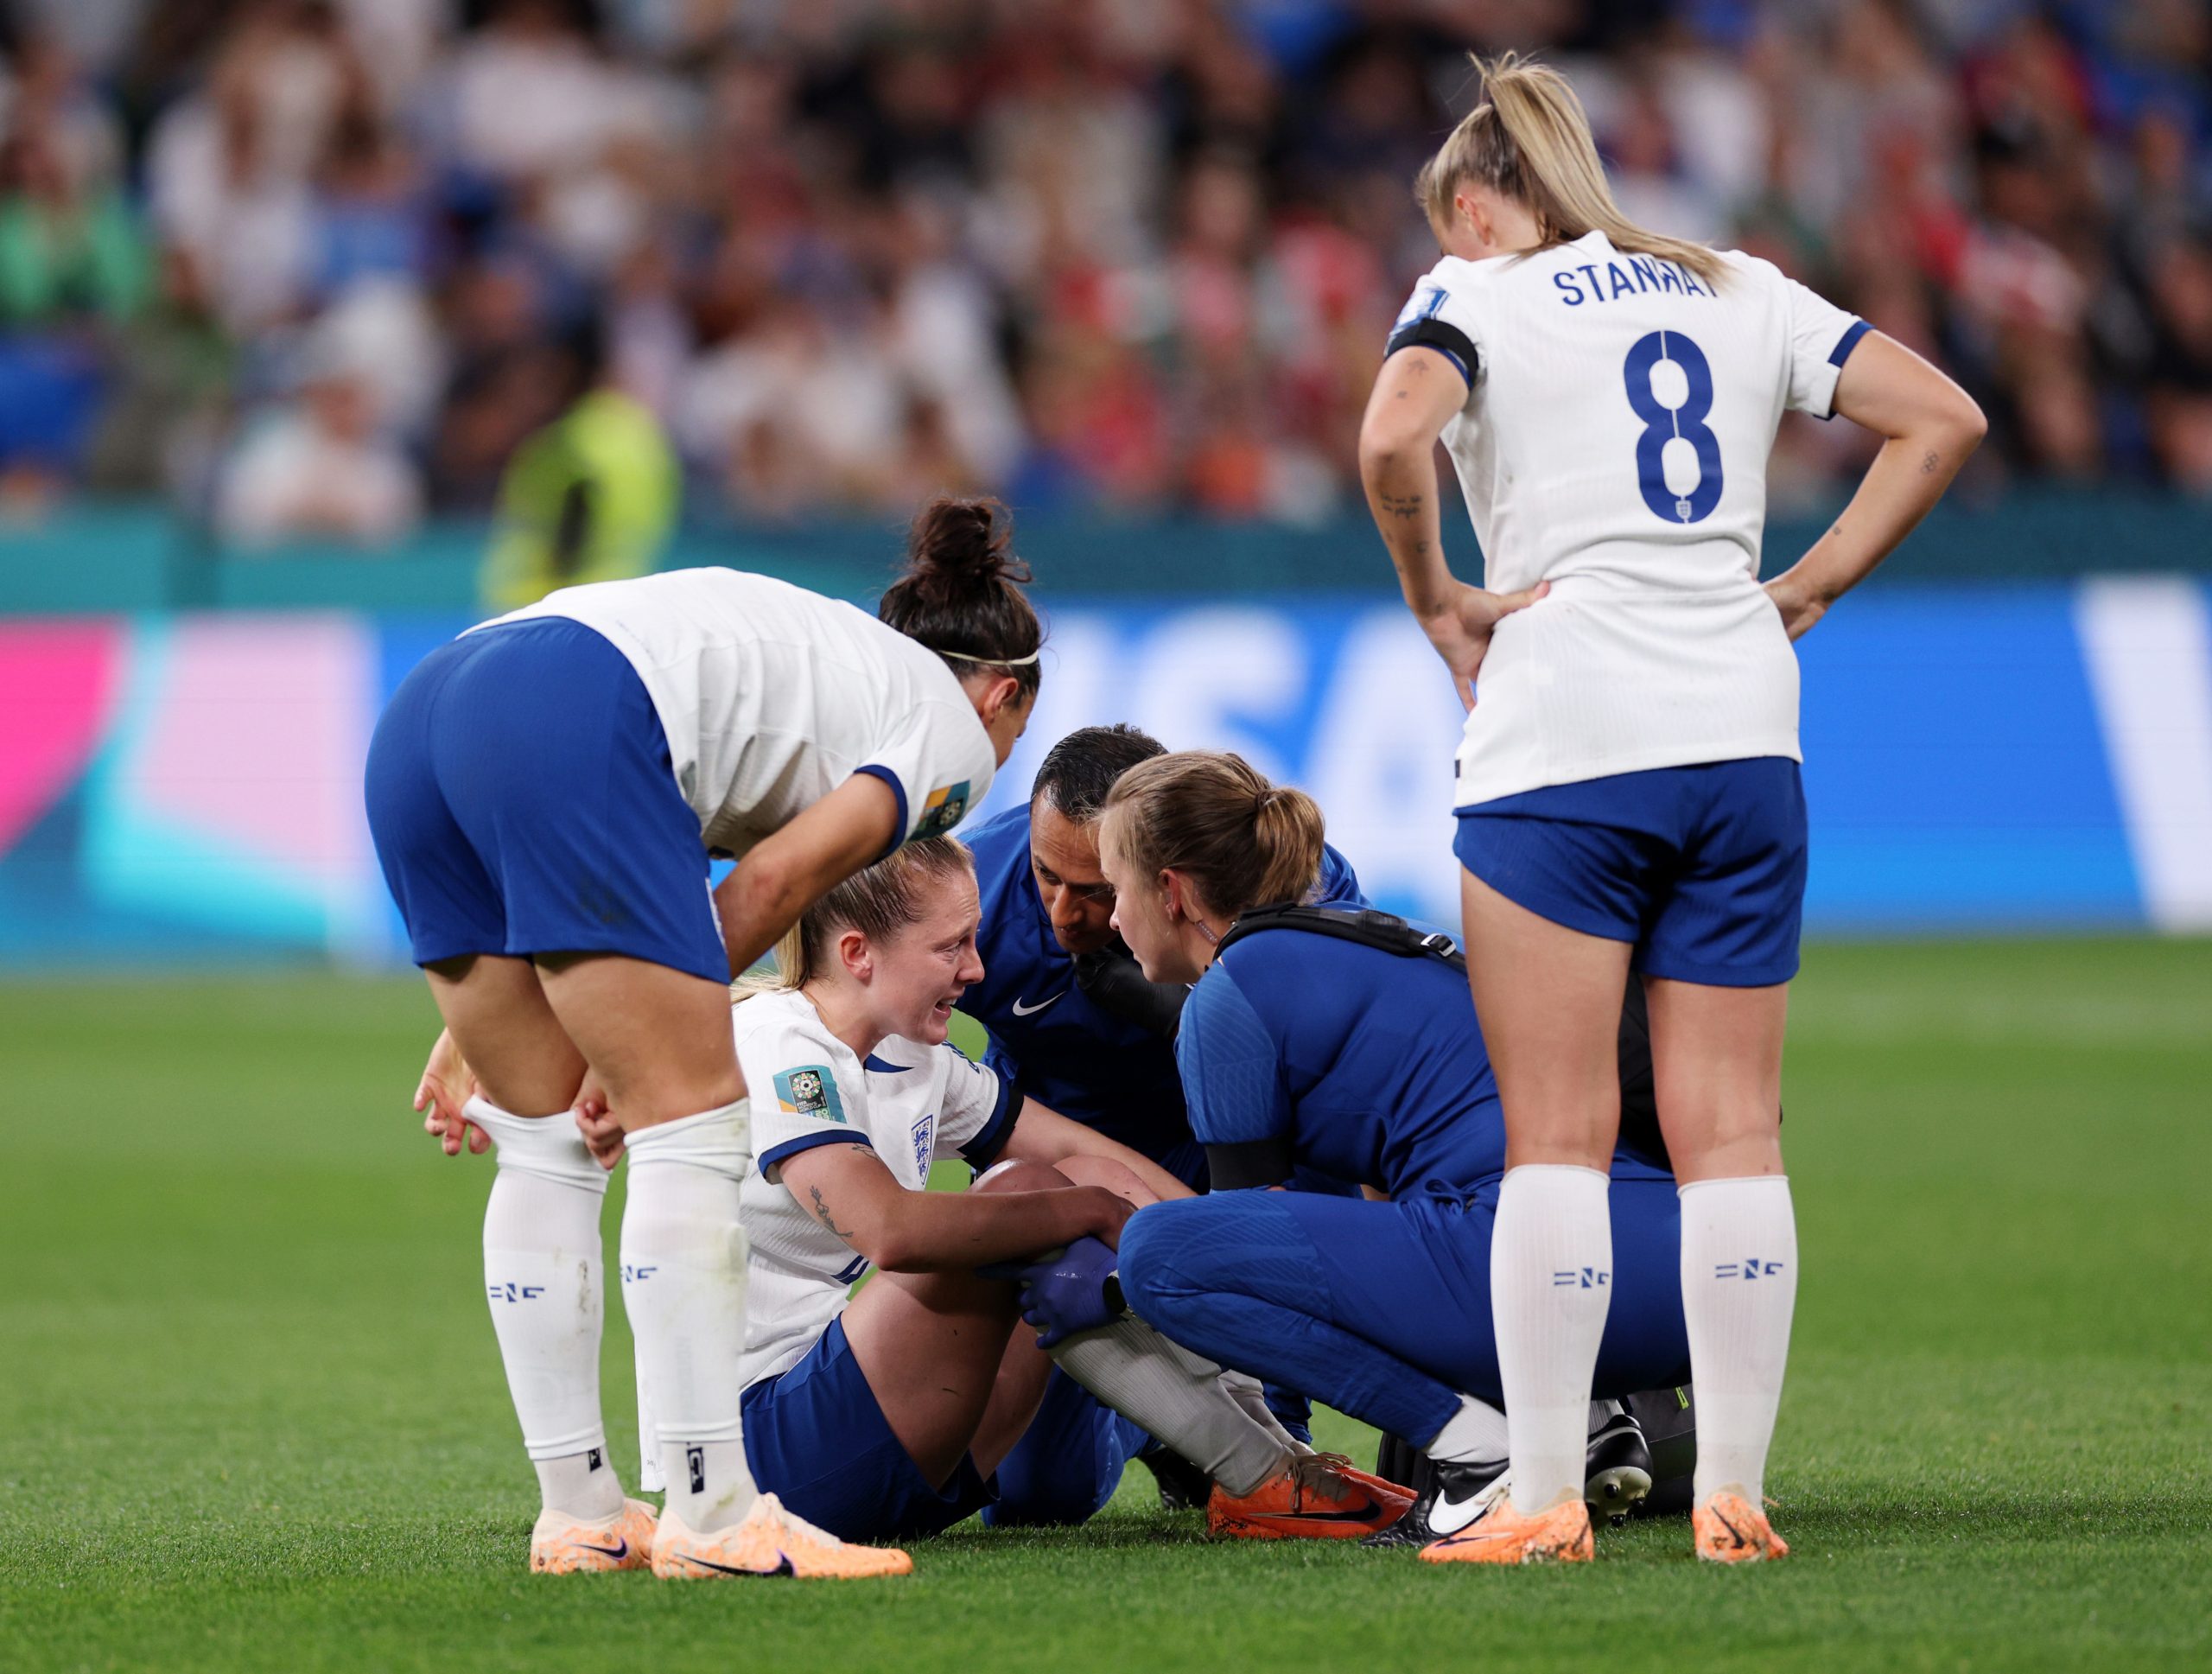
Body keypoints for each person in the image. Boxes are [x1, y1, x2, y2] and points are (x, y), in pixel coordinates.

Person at [1355, 55, 1985, 1564]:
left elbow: (1390, 436)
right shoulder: (1735, 283)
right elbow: (1945, 417)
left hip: (1565, 736)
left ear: (1475, 200)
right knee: (1734, 1138)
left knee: (1557, 1141)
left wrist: (1439, 595)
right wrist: (1815, 579)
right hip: (1742, 733)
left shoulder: (1473, 293)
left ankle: (1547, 1495)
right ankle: (1736, 1493)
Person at [366, 496, 1042, 1579]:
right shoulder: (952, 731)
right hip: (575, 710)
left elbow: (635, 860)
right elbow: (772, 881)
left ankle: (582, 1510)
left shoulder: (819, 660)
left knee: (541, 1143)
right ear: (1004, 693)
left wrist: (494, 1039)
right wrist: (636, 1038)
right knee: (691, 1125)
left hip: (430, 709)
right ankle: (716, 1515)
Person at [602, 837, 1409, 1554]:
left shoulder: (916, 1059)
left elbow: (1083, 1154)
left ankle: (1276, 1461)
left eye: (974, 941)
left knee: (1068, 1187)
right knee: (1031, 1199)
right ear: (857, 953)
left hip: (891, 1445)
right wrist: (1095, 1213)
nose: (976, 970)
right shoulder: (781, 1041)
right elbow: (890, 1231)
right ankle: (1257, 1470)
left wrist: (1236, 1242)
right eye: (951, 946)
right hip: (759, 1451)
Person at [1036, 750, 1681, 1556]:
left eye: (1116, 888)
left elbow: (1237, 1247)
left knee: (1160, 1255)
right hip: (1677, 1283)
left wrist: (1116, 1289)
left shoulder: (1228, 995)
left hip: (1542, 1271)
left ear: (1170, 891)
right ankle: (1580, 1419)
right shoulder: (1363, 943)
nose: (1114, 920)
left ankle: (1482, 1455)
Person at [958, 723, 1361, 1517]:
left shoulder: (1281, 876)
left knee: (1319, 1136)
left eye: (1097, 889)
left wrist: (1183, 1013)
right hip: (1065, 1177)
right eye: (1047, 876)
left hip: (1232, 1145)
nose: (1065, 915)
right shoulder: (971, 893)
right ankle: (1154, 1427)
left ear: (1155, 869)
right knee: (1040, 1496)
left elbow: (1340, 1064)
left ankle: (1277, 1426)